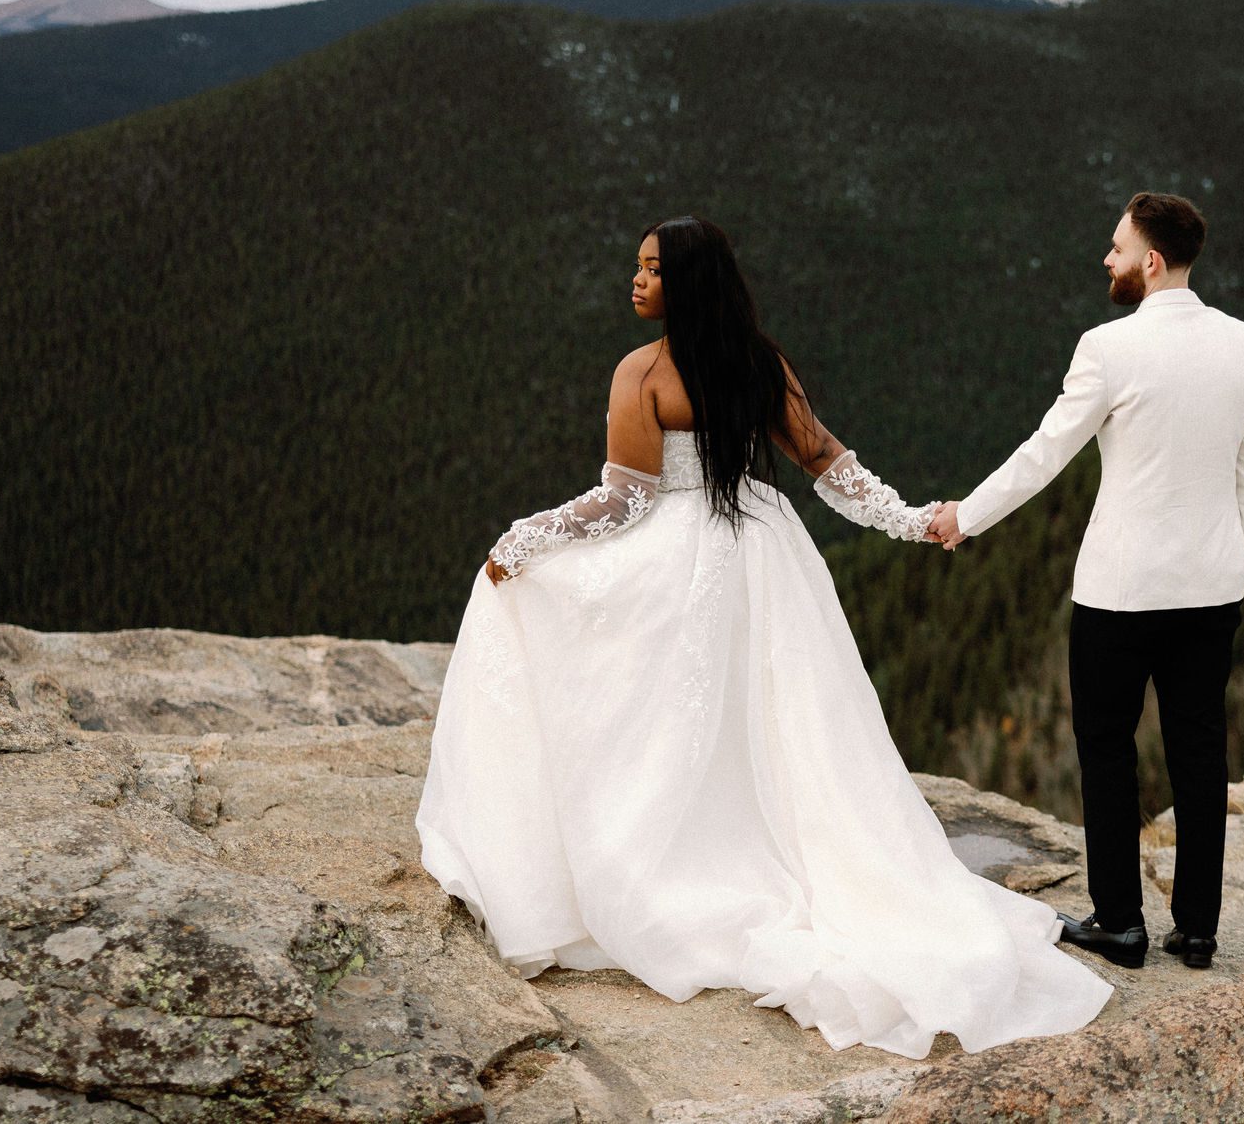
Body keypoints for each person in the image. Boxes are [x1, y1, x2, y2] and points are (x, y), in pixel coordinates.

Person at [414, 216, 1111, 1060]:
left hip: (676, 560)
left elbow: (626, 500)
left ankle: (642, 860)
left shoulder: (643, 371)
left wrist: (525, 538)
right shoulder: (761, 364)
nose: (634, 282)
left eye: (649, 271)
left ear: (684, 283)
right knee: (778, 720)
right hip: (761, 552)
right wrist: (918, 520)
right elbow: (830, 468)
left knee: (655, 713)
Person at [928, 191, 1244, 972]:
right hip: (1211, 591)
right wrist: (1243, 567)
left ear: (1151, 262)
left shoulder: (1107, 348)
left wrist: (967, 516)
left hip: (1120, 594)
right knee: (1199, 754)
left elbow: (1043, 453)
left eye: (1116, 248)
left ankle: (1120, 923)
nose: (1107, 259)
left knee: (1108, 751)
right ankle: (1197, 932)